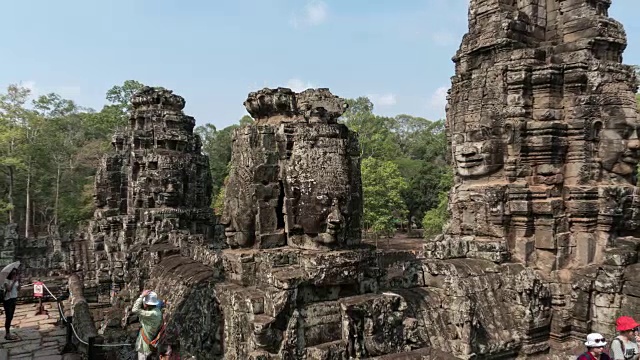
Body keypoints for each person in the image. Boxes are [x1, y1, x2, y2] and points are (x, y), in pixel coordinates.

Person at [132, 290, 164, 360]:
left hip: (145, 347)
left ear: (146, 304)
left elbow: (135, 309)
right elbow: (160, 303)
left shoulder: (151, 314)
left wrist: (142, 296)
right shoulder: (157, 311)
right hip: (150, 344)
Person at [3, 268, 20, 341]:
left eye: (15, 273)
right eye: (13, 273)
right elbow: (9, 289)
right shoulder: (6, 280)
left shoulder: (15, 280)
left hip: (14, 299)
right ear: (10, 273)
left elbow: (18, 289)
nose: (14, 274)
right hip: (8, 300)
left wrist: (19, 283)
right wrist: (13, 281)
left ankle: (8, 333)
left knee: (11, 316)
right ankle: (7, 333)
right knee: (8, 316)